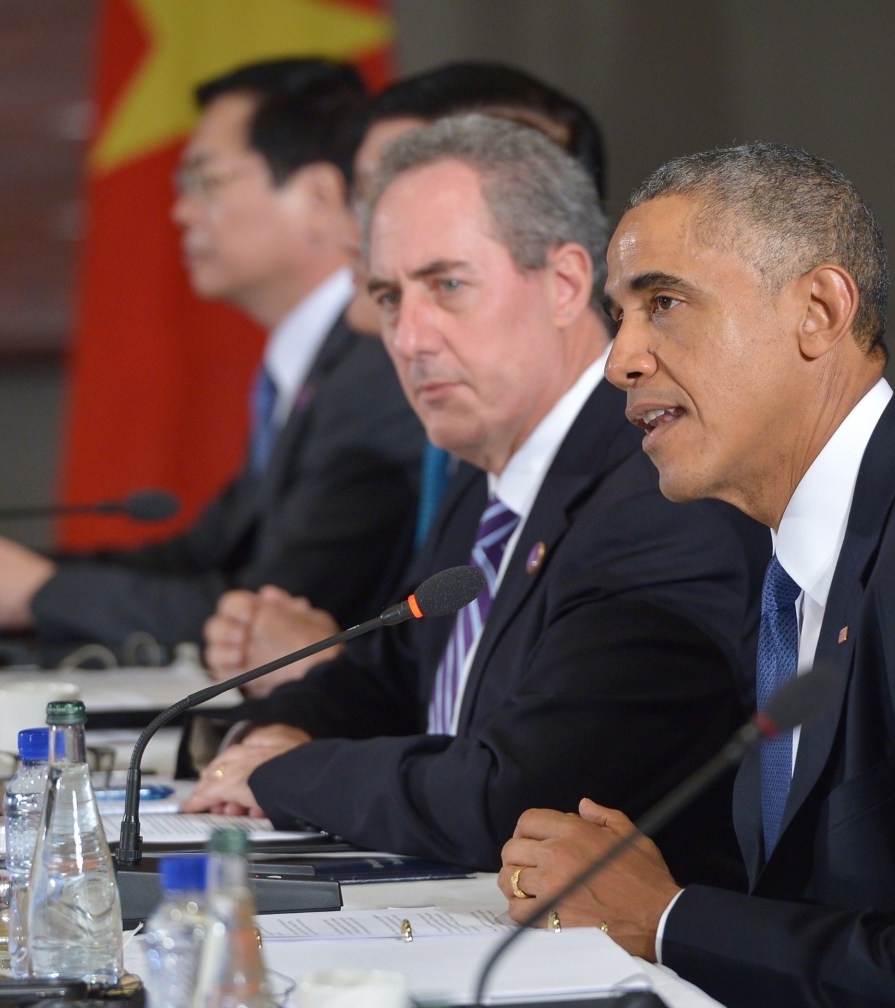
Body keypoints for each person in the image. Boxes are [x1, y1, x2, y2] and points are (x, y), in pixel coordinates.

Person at [499, 142, 895, 1006]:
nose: (622, 359)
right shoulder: (796, 561)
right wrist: (627, 886)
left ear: (819, 309)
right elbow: (832, 898)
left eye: (663, 303)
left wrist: (667, 917)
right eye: (621, 316)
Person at [184, 115, 769, 881]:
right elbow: (384, 678)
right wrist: (262, 733)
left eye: (447, 286)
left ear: (564, 284)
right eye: (390, 298)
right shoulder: (485, 481)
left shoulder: (659, 498)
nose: (410, 338)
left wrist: (286, 775)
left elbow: (521, 795)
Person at [0, 59, 423, 653]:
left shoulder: (373, 372)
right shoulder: (314, 367)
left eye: (208, 182)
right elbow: (198, 557)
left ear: (316, 196)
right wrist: (8, 576)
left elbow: (266, 613)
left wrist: (42, 590)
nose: (181, 212)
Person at [203, 61, 609, 695]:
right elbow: (417, 682)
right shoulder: (478, 467)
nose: (352, 225)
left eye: (448, 284)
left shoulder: (644, 485)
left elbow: (513, 765)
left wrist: (306, 698)